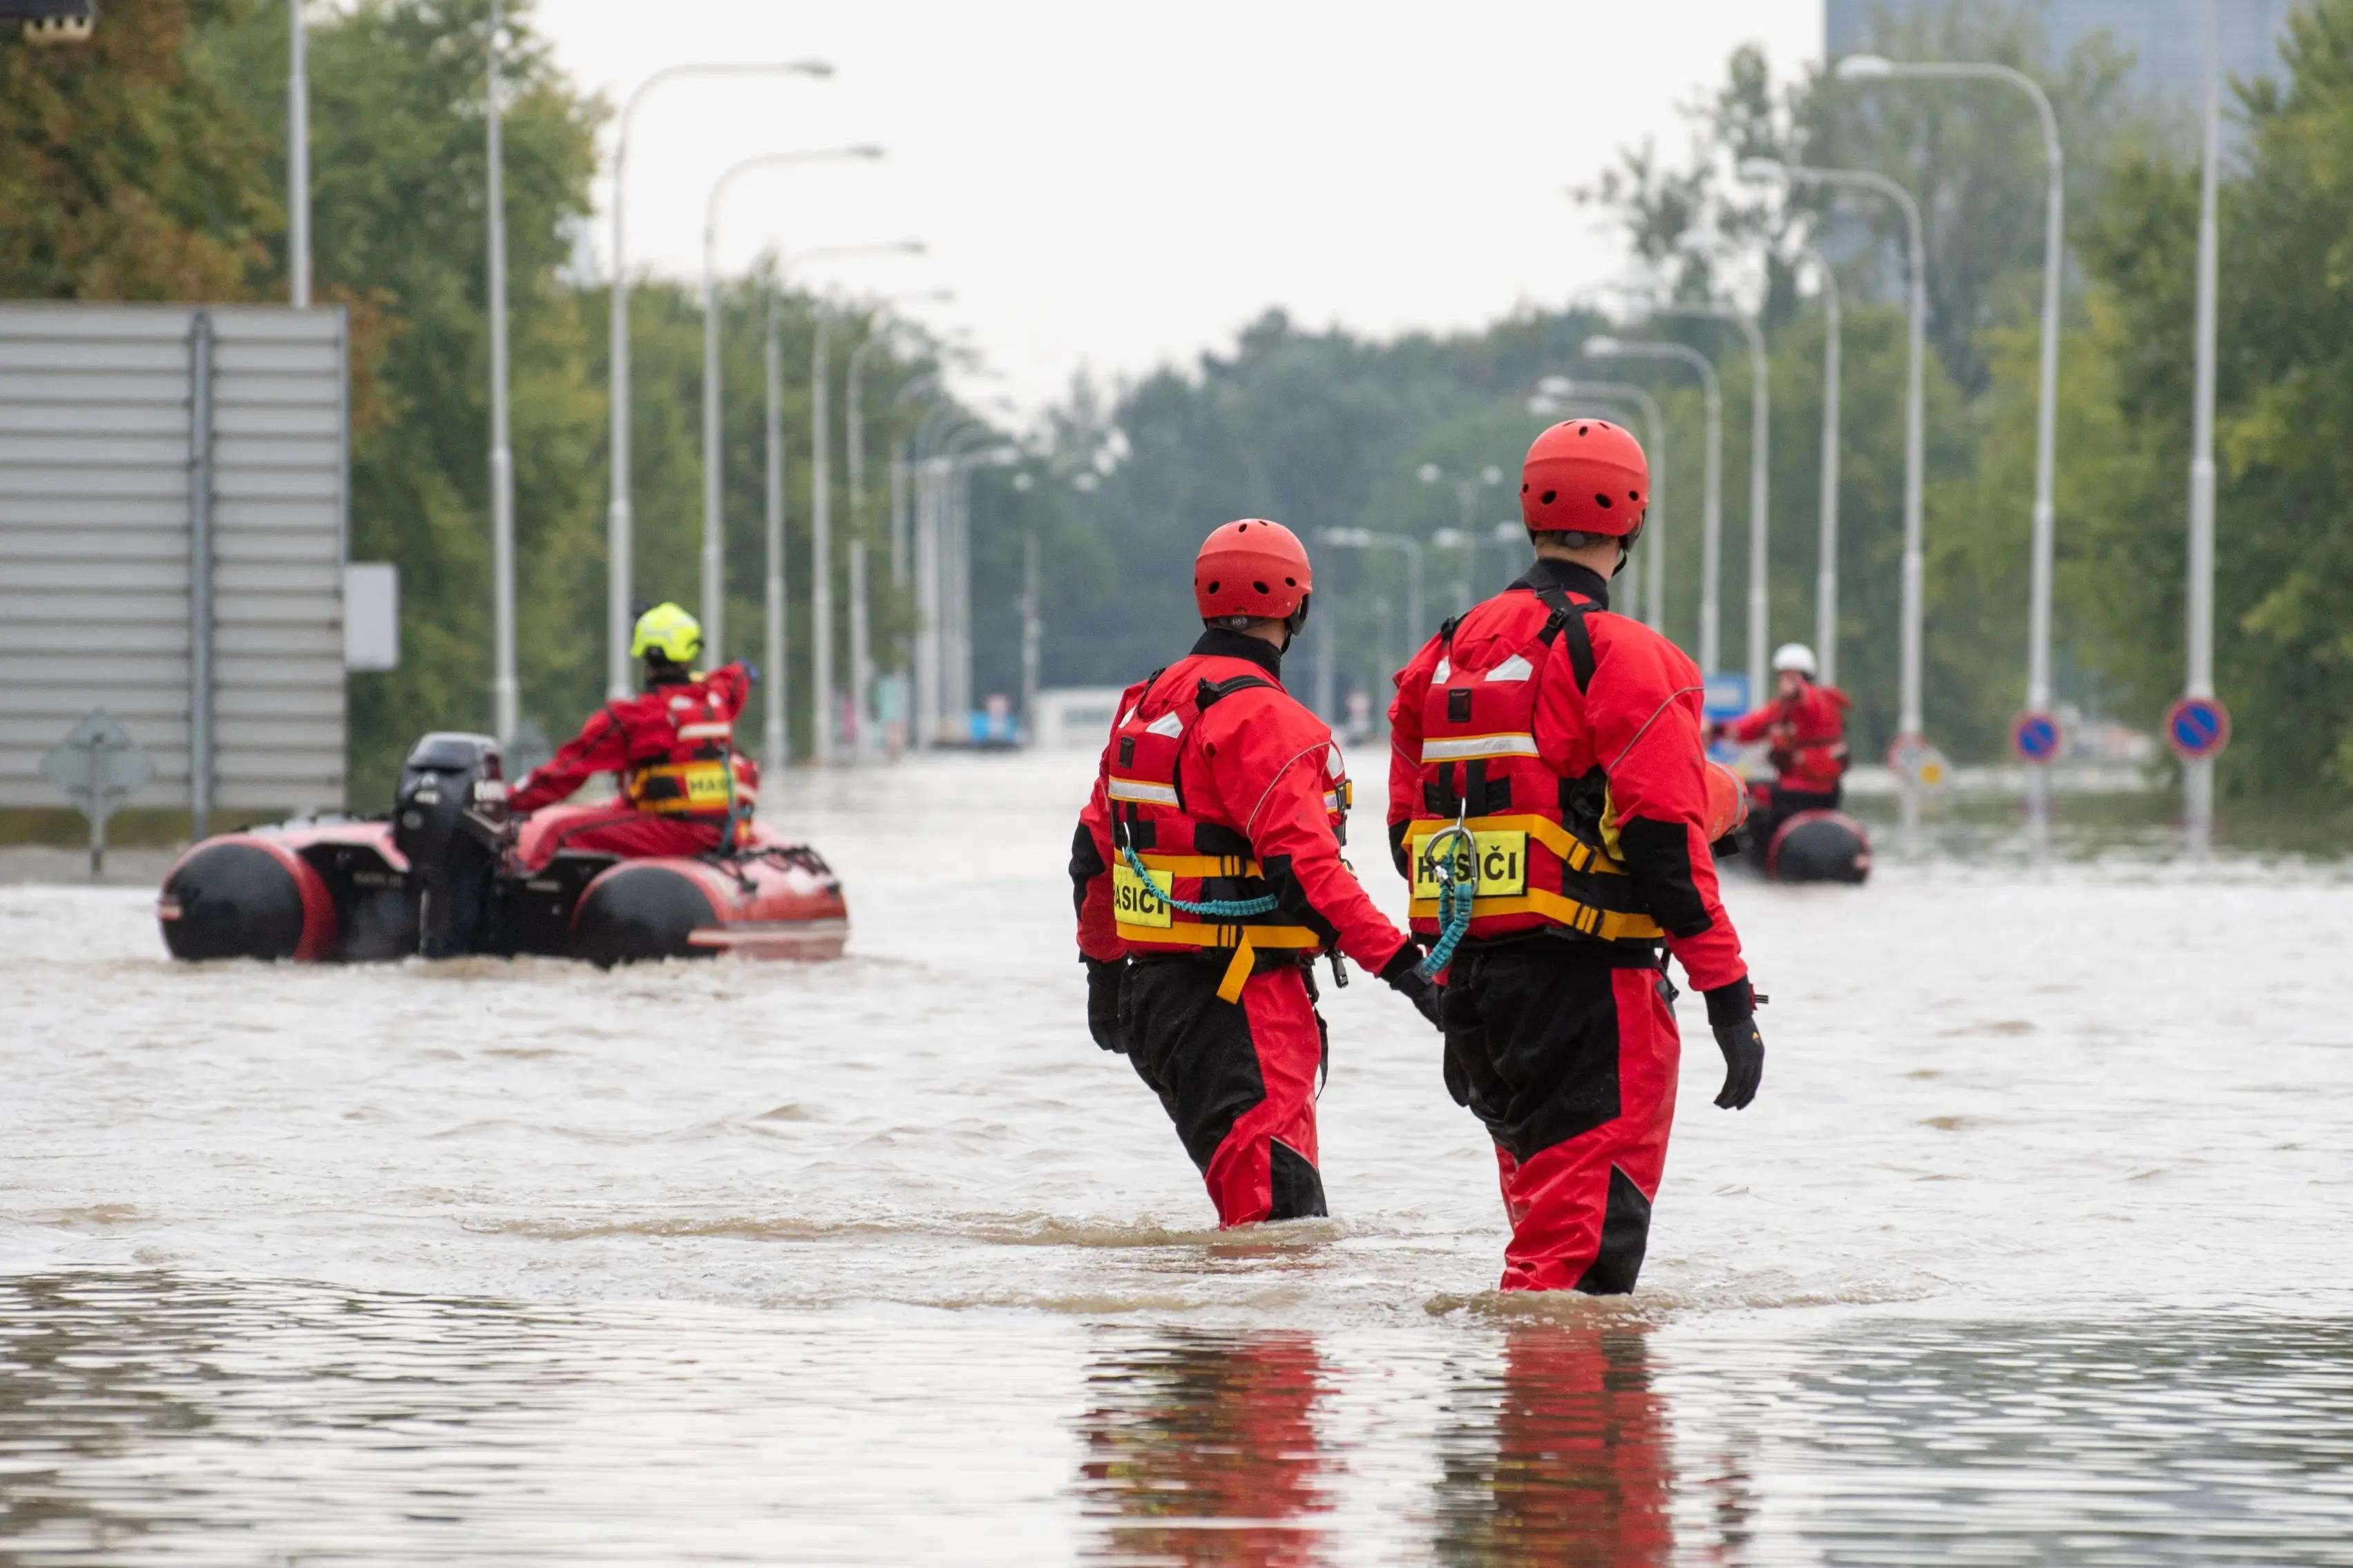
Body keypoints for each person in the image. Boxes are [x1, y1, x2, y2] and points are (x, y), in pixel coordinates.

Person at [1387, 417, 1764, 1294]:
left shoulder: (1438, 660)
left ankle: (1524, 1426)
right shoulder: (1630, 658)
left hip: (1479, 992)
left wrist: (1449, 988)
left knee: (1544, 1241)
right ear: (1632, 524)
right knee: (1577, 1271)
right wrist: (1728, 997)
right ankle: (1565, 1427)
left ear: (1529, 512)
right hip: (1591, 997)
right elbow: (1665, 846)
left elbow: (1414, 838)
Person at [1071, 519, 1442, 1228]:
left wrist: (1105, 976)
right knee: (1278, 1231)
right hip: (1240, 1002)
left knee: (1264, 1230)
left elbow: (1093, 852)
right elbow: (1310, 875)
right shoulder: (1268, 721)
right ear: (1297, 608)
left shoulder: (1144, 704)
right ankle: (1242, 1345)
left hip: (1157, 1000)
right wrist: (1406, 969)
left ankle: (1202, 1342)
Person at [506, 603, 759, 867]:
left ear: (643, 653)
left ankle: (514, 905)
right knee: (612, 810)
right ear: (690, 654)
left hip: (678, 832)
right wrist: (745, 671)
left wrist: (509, 802)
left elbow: (566, 772)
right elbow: (736, 677)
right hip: (723, 830)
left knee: (559, 834)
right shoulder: (717, 697)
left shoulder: (637, 716)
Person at [1713, 642, 1851, 843]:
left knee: (1742, 793)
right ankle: (1734, 852)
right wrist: (1716, 730)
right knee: (1743, 796)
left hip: (1806, 792)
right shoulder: (1780, 710)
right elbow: (1748, 728)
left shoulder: (1820, 702)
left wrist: (1798, 689)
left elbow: (1809, 700)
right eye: (1783, 677)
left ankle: (1734, 853)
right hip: (1796, 791)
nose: (1784, 682)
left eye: (1791, 677)